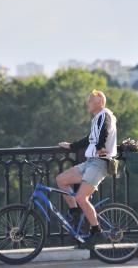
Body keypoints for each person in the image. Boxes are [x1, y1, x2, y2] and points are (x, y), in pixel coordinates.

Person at [57, 89, 117, 246]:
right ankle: (75, 211)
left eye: (90, 101)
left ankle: (96, 231)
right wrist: (71, 145)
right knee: (61, 180)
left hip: (99, 163)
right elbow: (88, 140)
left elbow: (104, 131)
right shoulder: (97, 118)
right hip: (90, 162)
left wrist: (100, 146)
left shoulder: (105, 115)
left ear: (99, 102)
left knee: (81, 197)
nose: (87, 103)